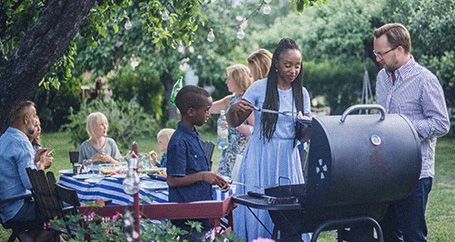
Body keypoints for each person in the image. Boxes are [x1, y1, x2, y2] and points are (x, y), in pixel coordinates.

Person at [227, 38, 312, 241]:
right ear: (275, 64)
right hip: (260, 156)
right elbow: (233, 121)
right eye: (287, 65)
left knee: (287, 210)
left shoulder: (302, 93)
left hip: (288, 159)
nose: (293, 70)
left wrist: (308, 126)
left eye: (297, 66)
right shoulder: (259, 87)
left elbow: (304, 135)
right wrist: (234, 111)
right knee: (260, 207)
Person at [373, 23, 450, 242]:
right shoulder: (382, 78)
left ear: (399, 49)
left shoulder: (425, 80)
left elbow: (441, 123)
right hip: (387, 170)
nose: (378, 58)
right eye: (375, 52)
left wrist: (403, 128)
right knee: (386, 233)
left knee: (412, 234)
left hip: (415, 172)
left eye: (381, 53)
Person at [166, 85, 229, 241]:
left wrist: (214, 178)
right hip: (187, 217)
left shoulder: (193, 134)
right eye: (206, 110)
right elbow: (172, 180)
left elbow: (196, 170)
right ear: (191, 112)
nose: (209, 114)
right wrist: (202, 176)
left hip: (201, 212)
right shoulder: (178, 141)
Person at [0, 101, 53, 241]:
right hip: (19, 209)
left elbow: (14, 169)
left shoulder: (4, 138)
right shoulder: (22, 142)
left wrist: (34, 159)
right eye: (34, 116)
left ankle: (28, 237)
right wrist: (41, 164)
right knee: (60, 210)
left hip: (5, 209)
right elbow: (31, 183)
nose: (36, 120)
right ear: (26, 119)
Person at [209, 64, 254, 177]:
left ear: (238, 80)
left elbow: (254, 130)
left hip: (241, 153)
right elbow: (208, 108)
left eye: (229, 78)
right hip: (228, 152)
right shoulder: (230, 100)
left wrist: (234, 124)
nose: (226, 81)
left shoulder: (248, 101)